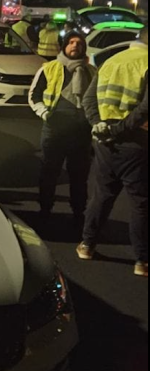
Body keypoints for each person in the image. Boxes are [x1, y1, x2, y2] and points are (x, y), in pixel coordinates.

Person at [77, 26, 148, 278]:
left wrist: (99, 125)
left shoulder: (111, 61)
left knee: (102, 195)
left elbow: (88, 100)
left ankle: (87, 245)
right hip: (136, 141)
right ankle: (142, 261)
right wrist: (119, 130)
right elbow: (145, 108)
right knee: (140, 202)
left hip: (104, 141)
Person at [29, 30, 97, 225]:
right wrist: (44, 113)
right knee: (49, 172)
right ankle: (45, 210)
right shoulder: (49, 68)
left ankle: (78, 212)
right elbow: (34, 95)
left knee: (79, 175)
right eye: (71, 42)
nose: (75, 46)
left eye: (79, 43)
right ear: (64, 46)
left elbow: (97, 99)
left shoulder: (91, 71)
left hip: (81, 131)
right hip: (55, 128)